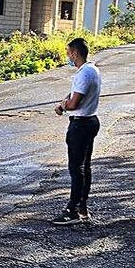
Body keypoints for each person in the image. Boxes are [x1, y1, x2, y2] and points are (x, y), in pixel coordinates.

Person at [52, 38, 101, 226]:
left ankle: (72, 210)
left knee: (76, 169)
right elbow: (74, 94)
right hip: (90, 121)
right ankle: (82, 208)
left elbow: (74, 103)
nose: (67, 56)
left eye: (68, 53)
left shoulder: (83, 74)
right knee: (84, 167)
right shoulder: (92, 69)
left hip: (80, 124)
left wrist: (62, 106)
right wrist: (65, 100)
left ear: (75, 53)